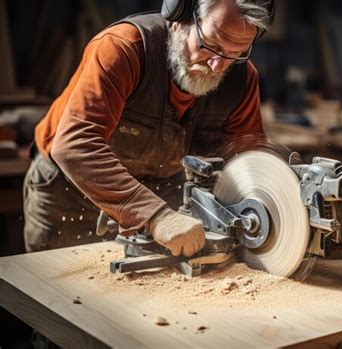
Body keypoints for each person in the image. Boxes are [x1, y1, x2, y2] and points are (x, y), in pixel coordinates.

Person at [23, 0, 274, 257]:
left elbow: (248, 162)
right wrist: (156, 215)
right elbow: (74, 146)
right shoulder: (124, 48)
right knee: (57, 289)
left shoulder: (241, 79)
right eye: (211, 45)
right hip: (72, 188)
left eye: (235, 53)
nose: (218, 66)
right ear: (180, 18)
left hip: (158, 186)